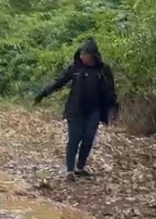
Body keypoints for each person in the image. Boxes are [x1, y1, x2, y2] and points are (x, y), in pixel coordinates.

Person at [33, 38, 119, 181]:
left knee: (88, 139)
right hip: (75, 109)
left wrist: (113, 108)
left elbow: (110, 91)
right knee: (74, 139)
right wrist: (43, 93)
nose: (81, 56)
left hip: (94, 110)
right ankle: (70, 171)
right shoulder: (75, 68)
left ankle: (80, 168)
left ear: (92, 55)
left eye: (84, 54)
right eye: (80, 54)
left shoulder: (103, 70)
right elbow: (59, 82)